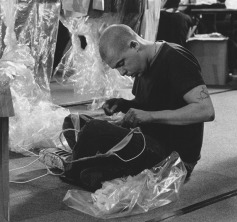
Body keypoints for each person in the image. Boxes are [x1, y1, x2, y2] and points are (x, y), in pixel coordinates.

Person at [62, 24, 215, 191]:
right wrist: (124, 104)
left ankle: (77, 169)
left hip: (173, 157)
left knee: (94, 129)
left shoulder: (175, 57)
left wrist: (150, 116)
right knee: (72, 122)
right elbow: (149, 103)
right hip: (148, 140)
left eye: (122, 63)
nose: (121, 72)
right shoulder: (143, 66)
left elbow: (205, 110)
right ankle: (100, 166)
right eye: (117, 68)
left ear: (134, 45)